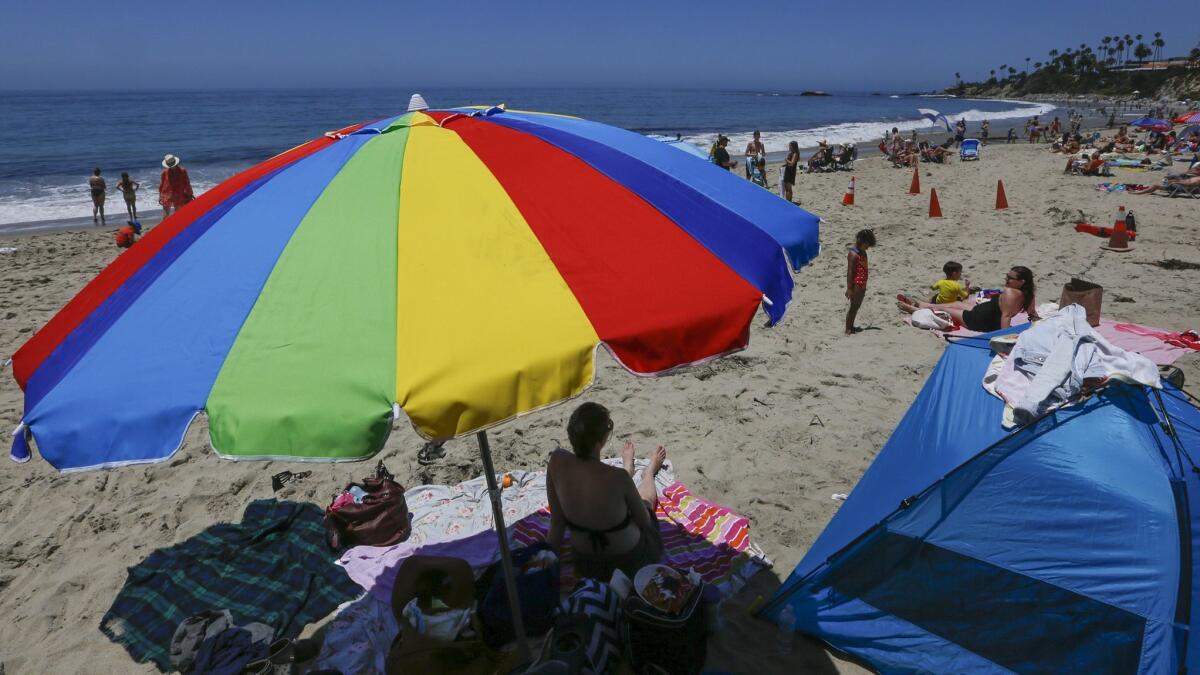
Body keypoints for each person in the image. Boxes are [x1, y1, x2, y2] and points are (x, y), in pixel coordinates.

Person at [546, 402, 666, 581]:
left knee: (619, 489)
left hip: (585, 563)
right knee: (645, 502)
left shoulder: (556, 461)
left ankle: (629, 466)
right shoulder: (618, 477)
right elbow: (644, 521)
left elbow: (557, 523)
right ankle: (648, 472)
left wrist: (547, 563)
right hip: (629, 563)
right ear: (601, 440)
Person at [897, 266, 1037, 331]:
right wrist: (1039, 320)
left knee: (945, 308)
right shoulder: (1029, 293)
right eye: (1007, 276)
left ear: (1022, 281)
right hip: (983, 312)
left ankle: (915, 308)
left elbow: (1006, 316)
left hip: (978, 320)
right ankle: (922, 303)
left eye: (1010, 278)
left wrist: (1005, 338)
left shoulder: (1010, 293)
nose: (1006, 280)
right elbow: (1032, 313)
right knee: (957, 302)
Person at [845, 229, 875, 335]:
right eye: (866, 245)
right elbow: (850, 273)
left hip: (862, 283)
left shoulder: (863, 252)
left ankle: (851, 326)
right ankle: (848, 328)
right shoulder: (853, 254)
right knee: (853, 306)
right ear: (860, 241)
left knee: (857, 306)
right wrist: (849, 288)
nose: (868, 248)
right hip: (856, 284)